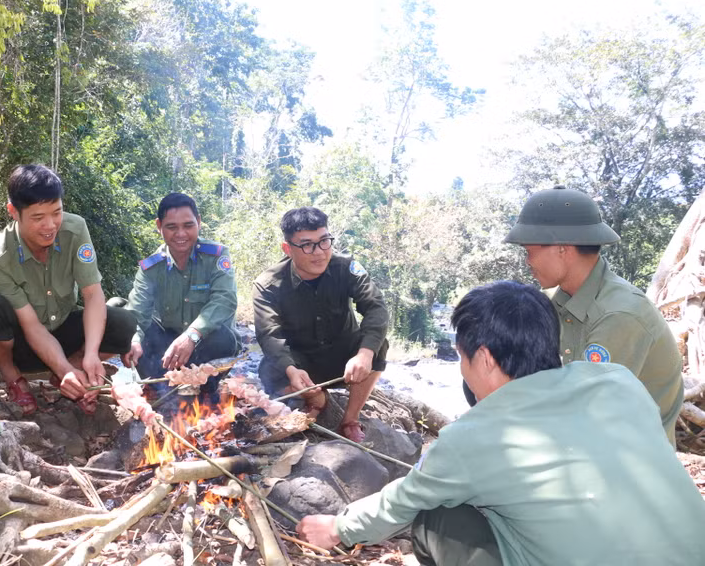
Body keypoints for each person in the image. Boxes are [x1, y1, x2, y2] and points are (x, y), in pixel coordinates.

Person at [297, 281, 705, 566]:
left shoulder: (475, 437)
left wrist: (337, 528)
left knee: (437, 517)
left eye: (461, 356)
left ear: (486, 358)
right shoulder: (617, 380)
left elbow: (402, 502)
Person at [494, 185, 683, 446]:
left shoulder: (620, 315)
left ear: (562, 248)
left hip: (630, 465)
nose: (527, 262)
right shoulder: (552, 303)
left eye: (529, 252)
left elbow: (583, 413)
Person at [0, 164, 136, 416]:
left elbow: (92, 294)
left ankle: (76, 373)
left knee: (124, 322)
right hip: (23, 344)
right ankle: (16, 381)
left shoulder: (75, 230)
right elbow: (32, 326)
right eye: (38, 217)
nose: (50, 226)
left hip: (66, 330)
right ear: (14, 211)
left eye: (56, 213)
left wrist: (91, 354)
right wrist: (62, 368)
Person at [253, 207, 389, 442]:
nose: (319, 253)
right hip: (301, 365)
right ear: (288, 249)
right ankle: (318, 400)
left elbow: (376, 307)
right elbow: (269, 334)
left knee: (377, 345)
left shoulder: (346, 268)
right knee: (269, 368)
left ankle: (350, 420)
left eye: (324, 241)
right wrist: (291, 370)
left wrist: (364, 355)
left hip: (345, 360)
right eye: (307, 245)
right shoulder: (268, 284)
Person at [122, 193, 240, 399]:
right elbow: (137, 313)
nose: (181, 234)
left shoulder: (216, 256)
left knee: (223, 337)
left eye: (188, 225)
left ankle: (206, 389)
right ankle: (160, 391)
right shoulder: (151, 267)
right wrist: (133, 340)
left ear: (199, 222)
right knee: (130, 328)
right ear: (159, 226)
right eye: (171, 227)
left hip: (205, 346)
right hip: (168, 352)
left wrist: (192, 335)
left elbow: (225, 300)